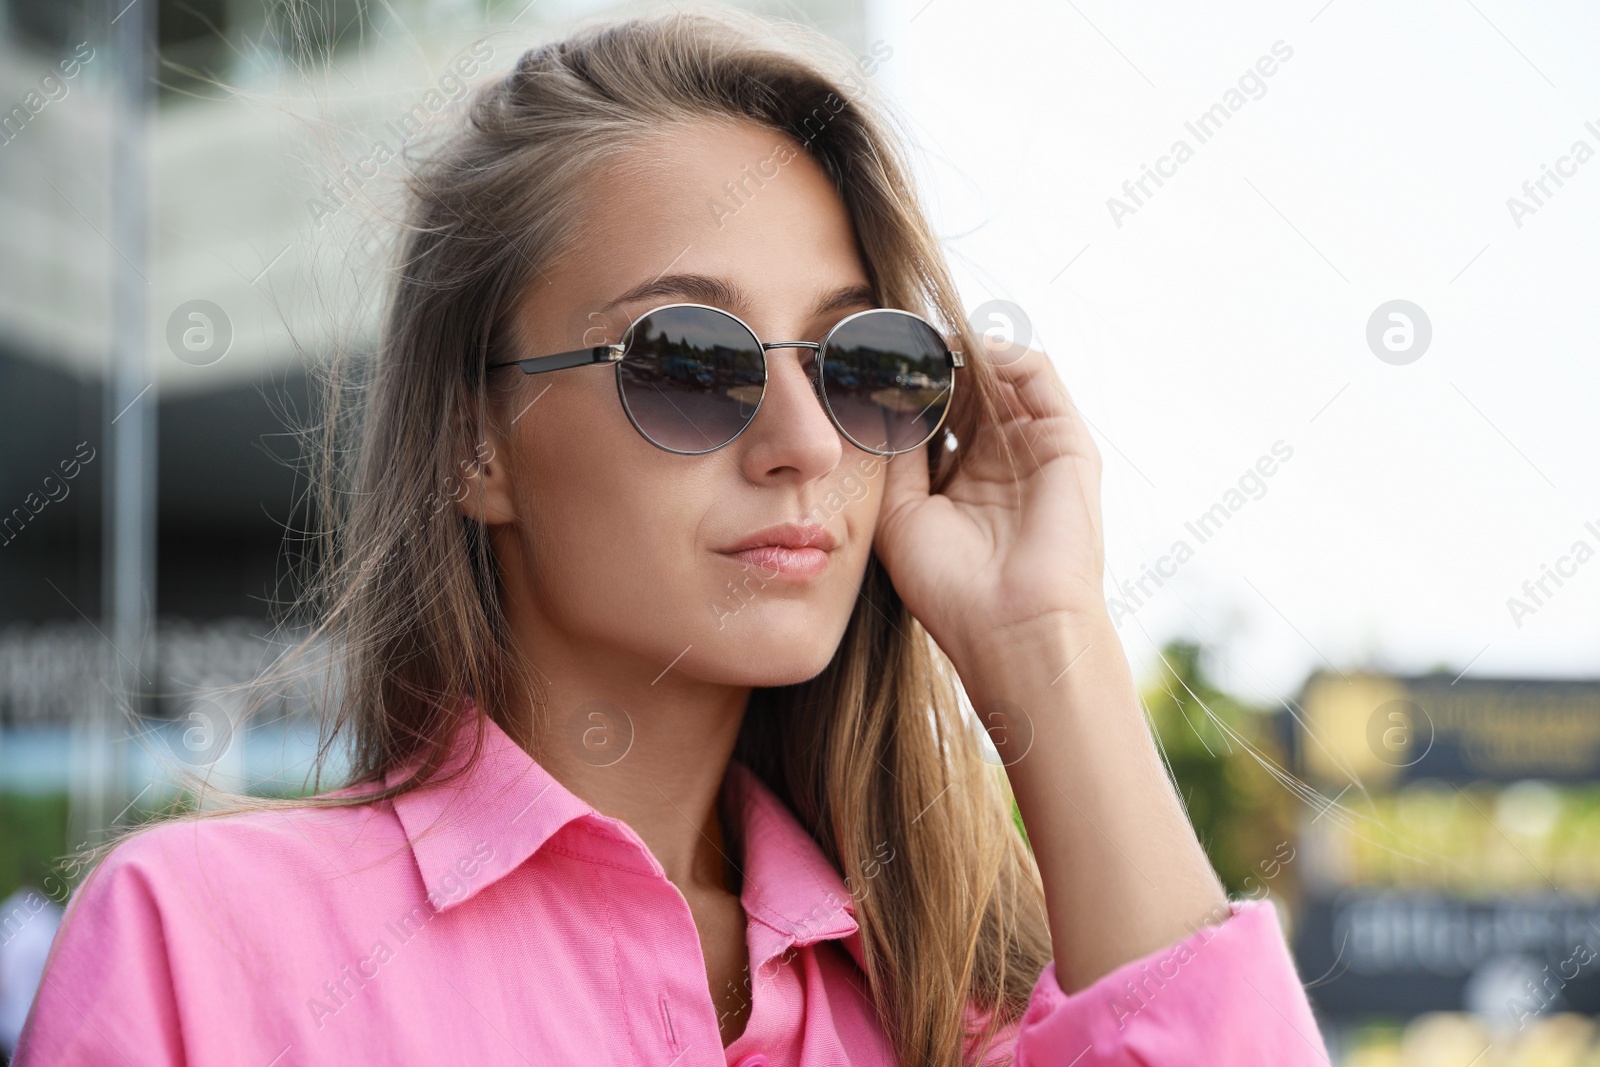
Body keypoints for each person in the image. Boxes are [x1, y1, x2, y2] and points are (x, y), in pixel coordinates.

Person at [16, 6, 1330, 1064]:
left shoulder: (966, 1020)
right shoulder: (203, 949)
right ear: (480, 443)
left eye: (862, 364)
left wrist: (1048, 645)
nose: (809, 441)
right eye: (690, 358)